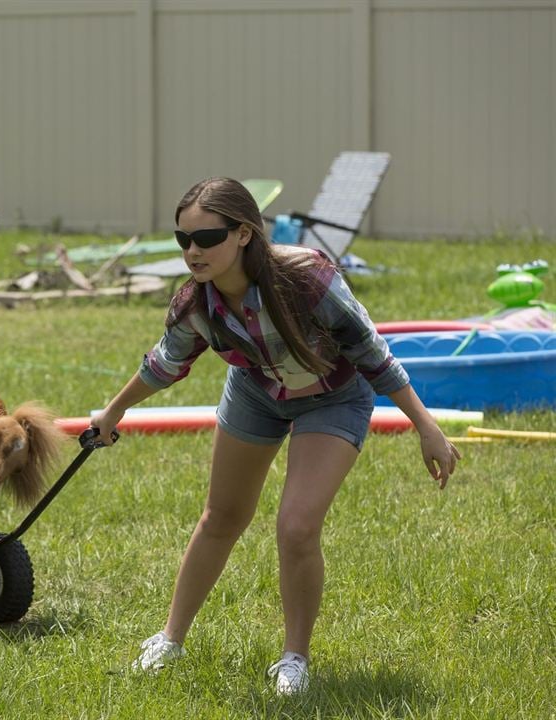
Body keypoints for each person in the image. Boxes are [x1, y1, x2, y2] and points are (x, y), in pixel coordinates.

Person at [90, 177, 460, 695]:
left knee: (297, 527)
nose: (192, 251)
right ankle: (170, 640)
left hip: (334, 395)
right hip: (257, 392)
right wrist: (113, 412)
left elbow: (371, 353)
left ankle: (294, 659)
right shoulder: (196, 302)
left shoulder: (306, 278)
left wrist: (426, 427)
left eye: (205, 238)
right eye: (182, 240)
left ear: (243, 234)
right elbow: (164, 364)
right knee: (221, 517)